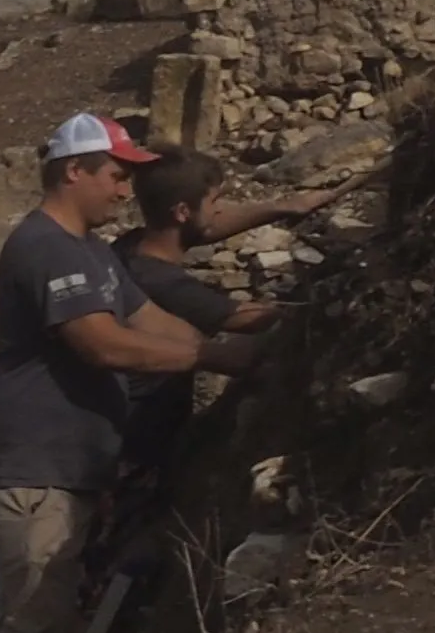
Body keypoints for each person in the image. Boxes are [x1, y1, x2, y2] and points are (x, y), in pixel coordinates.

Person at [0, 114, 207, 633]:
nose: (126, 192)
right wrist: (210, 355)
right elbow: (103, 343)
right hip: (29, 470)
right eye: (117, 175)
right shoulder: (47, 248)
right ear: (75, 171)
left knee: (51, 608)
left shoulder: (91, 253)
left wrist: (220, 338)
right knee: (32, 614)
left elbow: (150, 322)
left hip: (65, 467)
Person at [114, 146, 300, 480]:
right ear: (183, 212)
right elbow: (242, 318)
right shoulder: (161, 283)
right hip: (138, 450)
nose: (221, 211)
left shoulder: (132, 247)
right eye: (214, 202)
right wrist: (313, 300)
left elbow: (209, 228)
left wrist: (282, 207)